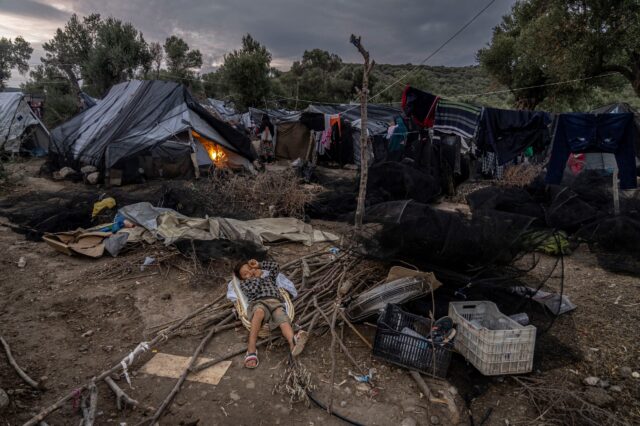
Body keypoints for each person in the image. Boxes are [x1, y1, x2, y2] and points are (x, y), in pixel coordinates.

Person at [233, 259, 307, 368]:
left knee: (283, 319)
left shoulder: (268, 278)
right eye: (245, 274)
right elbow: (253, 292)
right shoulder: (246, 284)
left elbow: (276, 266)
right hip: (259, 302)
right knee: (259, 312)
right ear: (242, 279)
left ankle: (293, 344)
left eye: (249, 269)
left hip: (276, 302)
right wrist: (257, 277)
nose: (249, 273)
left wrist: (260, 265)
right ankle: (251, 348)